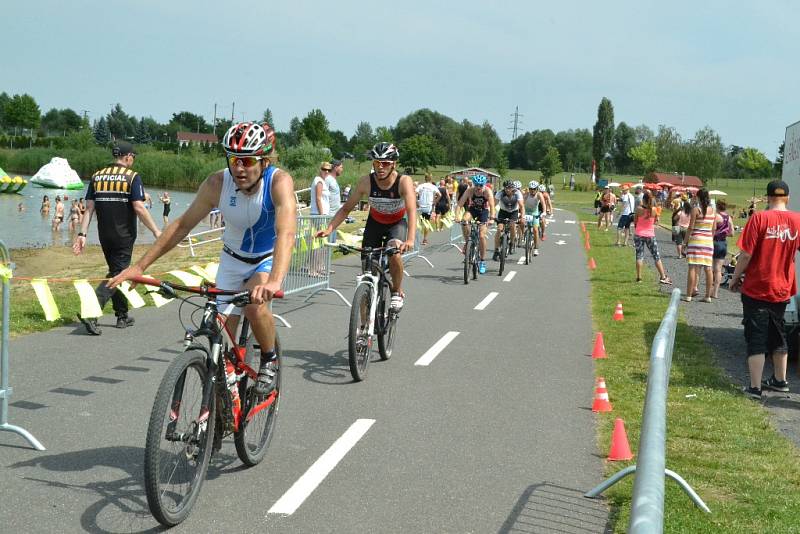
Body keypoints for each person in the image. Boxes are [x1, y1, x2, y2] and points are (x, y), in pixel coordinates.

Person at [109, 122, 295, 395]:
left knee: (255, 308)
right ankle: (225, 393)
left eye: (247, 161)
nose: (239, 168)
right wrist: (139, 267)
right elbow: (182, 225)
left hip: (265, 259)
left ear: (264, 160)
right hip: (232, 259)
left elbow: (286, 232)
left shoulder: (279, 181)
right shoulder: (217, 183)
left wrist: (275, 281)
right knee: (221, 336)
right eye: (233, 160)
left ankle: (269, 359)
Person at [73, 141, 161, 334]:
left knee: (117, 272)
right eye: (133, 157)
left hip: (104, 235)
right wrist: (156, 231)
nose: (133, 160)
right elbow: (139, 207)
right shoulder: (132, 177)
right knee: (118, 274)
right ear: (128, 156)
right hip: (124, 235)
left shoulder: (97, 176)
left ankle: (122, 315)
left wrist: (82, 234)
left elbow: (89, 208)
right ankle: (90, 312)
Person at [317, 142, 416, 309]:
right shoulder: (366, 182)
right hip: (375, 224)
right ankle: (363, 330)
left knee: (394, 253)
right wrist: (329, 228)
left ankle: (397, 291)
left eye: (385, 163)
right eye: (377, 163)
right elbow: (346, 209)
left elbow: (412, 211)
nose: (380, 167)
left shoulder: (403, 181)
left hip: (396, 223)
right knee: (366, 275)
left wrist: (411, 239)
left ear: (394, 164)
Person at [730, 180, 800, 399]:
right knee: (779, 334)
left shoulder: (759, 218)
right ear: (787, 198)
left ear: (768, 197)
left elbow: (746, 254)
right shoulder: (797, 220)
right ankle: (780, 380)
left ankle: (755, 387)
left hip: (758, 286)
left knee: (756, 337)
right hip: (782, 287)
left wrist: (735, 277)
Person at [456, 174, 495, 274]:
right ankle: (467, 242)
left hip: (484, 211)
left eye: (480, 185)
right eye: (476, 185)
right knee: (464, 221)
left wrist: (492, 218)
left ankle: (482, 261)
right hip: (473, 209)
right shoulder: (470, 190)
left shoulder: (487, 191)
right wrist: (457, 216)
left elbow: (492, 205)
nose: (478, 187)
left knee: (482, 236)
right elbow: (460, 203)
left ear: (484, 185)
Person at [682, 188, 715, 303]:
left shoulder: (696, 210)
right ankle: (708, 296)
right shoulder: (713, 210)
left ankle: (688, 295)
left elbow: (690, 227)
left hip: (696, 240)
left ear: (699, 197)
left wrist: (684, 243)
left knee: (692, 267)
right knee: (708, 268)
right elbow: (713, 228)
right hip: (708, 241)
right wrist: (709, 239)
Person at [633, 190, 671, 284]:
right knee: (656, 256)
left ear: (643, 200)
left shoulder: (638, 209)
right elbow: (655, 221)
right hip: (650, 234)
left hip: (639, 233)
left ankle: (639, 277)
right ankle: (663, 276)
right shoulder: (653, 210)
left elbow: (635, 221)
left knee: (639, 255)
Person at [493, 180, 524, 260]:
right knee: (499, 229)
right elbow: (493, 204)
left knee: (512, 225)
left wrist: (522, 217)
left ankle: (512, 243)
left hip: (513, 212)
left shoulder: (517, 193)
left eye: (509, 188)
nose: (507, 190)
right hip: (503, 212)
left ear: (513, 188)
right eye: (506, 188)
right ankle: (496, 250)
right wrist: (492, 215)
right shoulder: (500, 193)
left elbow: (521, 206)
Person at [711, 199, 734, 299]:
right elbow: (732, 233)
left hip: (715, 242)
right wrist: (724, 233)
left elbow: (712, 230)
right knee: (719, 269)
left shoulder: (716, 216)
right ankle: (715, 292)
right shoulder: (728, 218)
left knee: (712, 268)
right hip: (723, 243)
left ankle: (710, 290)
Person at [523, 180, 546, 257]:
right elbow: (521, 204)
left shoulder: (539, 195)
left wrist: (544, 212)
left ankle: (536, 248)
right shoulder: (526, 194)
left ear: (537, 189)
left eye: (534, 189)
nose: (532, 191)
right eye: (530, 189)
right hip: (526, 212)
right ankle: (523, 236)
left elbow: (543, 204)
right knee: (521, 223)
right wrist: (520, 212)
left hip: (534, 213)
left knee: (535, 230)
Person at [416, 174, 439, 245]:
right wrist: (434, 202)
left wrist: (417, 202)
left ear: (425, 179)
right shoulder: (433, 186)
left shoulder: (421, 185)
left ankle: (415, 239)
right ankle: (425, 239)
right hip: (428, 206)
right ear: (431, 179)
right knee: (426, 223)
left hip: (420, 206)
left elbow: (414, 193)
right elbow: (440, 195)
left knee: (418, 223)